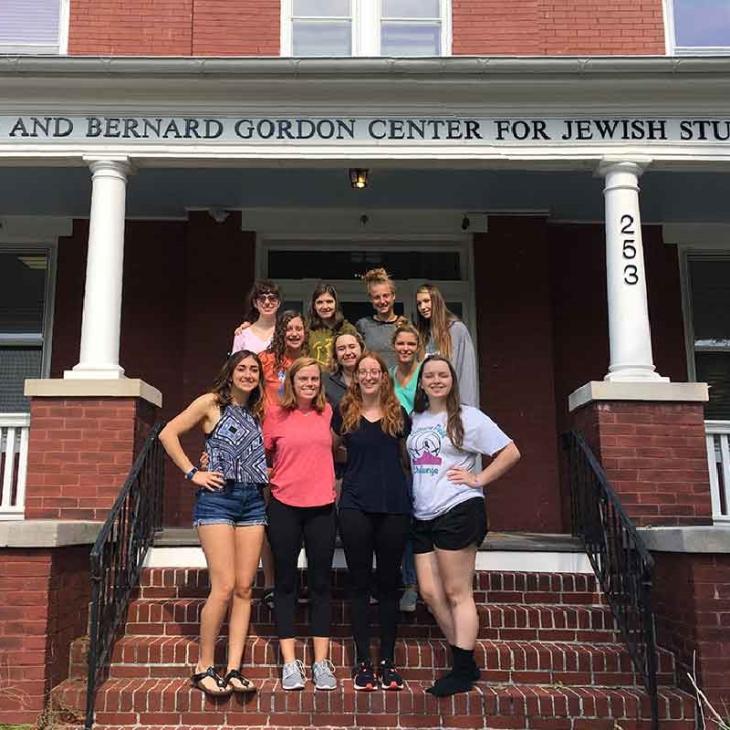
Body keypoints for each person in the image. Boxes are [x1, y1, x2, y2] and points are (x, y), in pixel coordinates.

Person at [407, 355, 520, 696]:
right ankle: (465, 659)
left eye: (443, 375)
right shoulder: (416, 418)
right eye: (430, 376)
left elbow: (511, 452)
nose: (437, 380)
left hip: (458, 508)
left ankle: (461, 666)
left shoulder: (469, 417)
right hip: (422, 513)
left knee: (458, 592)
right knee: (428, 592)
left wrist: (478, 478)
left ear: (452, 380)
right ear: (422, 382)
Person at [159, 350, 268, 697]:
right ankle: (204, 666)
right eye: (242, 368)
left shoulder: (258, 412)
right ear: (230, 372)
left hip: (253, 501)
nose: (248, 374)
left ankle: (234, 668)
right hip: (218, 498)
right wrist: (194, 472)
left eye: (254, 370)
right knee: (222, 587)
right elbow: (168, 433)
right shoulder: (210, 402)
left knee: (245, 588)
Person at [332, 352, 412, 691]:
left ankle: (389, 661)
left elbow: (409, 458)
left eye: (374, 371)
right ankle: (363, 660)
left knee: (389, 585)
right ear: (356, 377)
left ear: (383, 376)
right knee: (360, 584)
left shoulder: (399, 414)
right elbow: (331, 449)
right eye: (362, 371)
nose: (368, 376)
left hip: (393, 506)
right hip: (355, 506)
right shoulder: (344, 414)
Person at [263, 357, 338, 691]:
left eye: (314, 379)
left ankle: (321, 662)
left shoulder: (328, 413)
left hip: (322, 507)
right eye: (303, 379)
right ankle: (290, 662)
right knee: (286, 584)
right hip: (284, 506)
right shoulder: (275, 415)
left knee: (322, 584)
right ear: (290, 383)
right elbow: (259, 457)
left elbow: (341, 449)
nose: (309, 383)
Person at [389, 323, 424, 614]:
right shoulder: (387, 378)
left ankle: (413, 584)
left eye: (410, 344)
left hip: (424, 456)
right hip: (397, 458)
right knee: (400, 520)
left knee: (418, 522)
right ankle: (401, 582)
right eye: (401, 344)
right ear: (394, 346)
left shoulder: (426, 375)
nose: (405, 349)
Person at [415, 283, 479, 407]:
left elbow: (466, 372)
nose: (423, 307)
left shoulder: (457, 330)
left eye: (427, 301)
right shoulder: (422, 334)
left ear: (437, 301)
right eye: (419, 303)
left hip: (453, 406)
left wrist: (466, 408)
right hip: (428, 407)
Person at [356, 267, 405, 370]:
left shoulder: (405, 325)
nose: (382, 301)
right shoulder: (363, 325)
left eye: (386, 296)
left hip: (398, 382)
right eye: (377, 297)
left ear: (393, 296)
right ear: (371, 299)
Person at [259, 310, 308, 405]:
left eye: (298, 329)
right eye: (288, 329)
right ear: (280, 332)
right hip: (269, 417)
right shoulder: (265, 359)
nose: (294, 334)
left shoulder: (307, 364)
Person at [307, 282, 358, 366]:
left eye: (329, 301)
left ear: (336, 304)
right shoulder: (308, 331)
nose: (325, 306)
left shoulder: (348, 329)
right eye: (320, 302)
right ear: (314, 306)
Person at [231, 280, 281, 354]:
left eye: (272, 298)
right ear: (255, 303)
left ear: (278, 303)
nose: (267, 302)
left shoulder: (285, 332)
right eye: (262, 298)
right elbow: (235, 364)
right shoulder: (242, 334)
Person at [324, 330, 365, 409]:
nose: (348, 352)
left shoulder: (372, 378)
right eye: (341, 349)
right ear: (335, 355)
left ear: (361, 349)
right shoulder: (326, 381)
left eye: (352, 347)